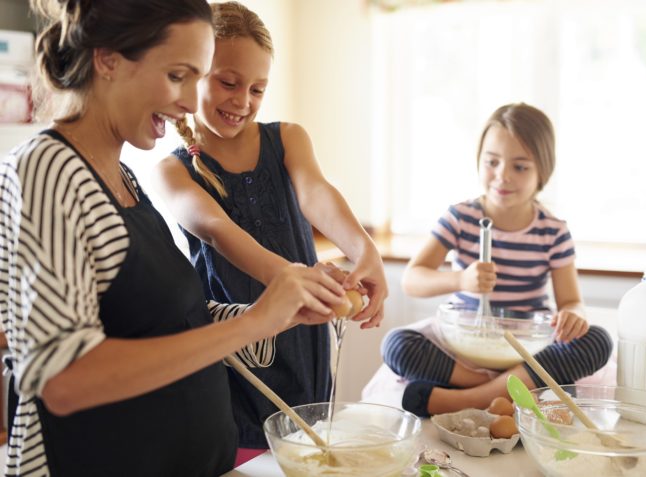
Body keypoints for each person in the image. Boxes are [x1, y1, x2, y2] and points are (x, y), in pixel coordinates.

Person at [0, 1, 349, 476]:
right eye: (178, 75)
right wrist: (253, 323)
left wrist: (278, 314)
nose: (188, 101)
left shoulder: (121, 176)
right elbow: (64, 379)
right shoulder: (46, 169)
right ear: (108, 59)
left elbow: (167, 320)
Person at [151, 1, 388, 449]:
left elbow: (317, 195)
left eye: (258, 89)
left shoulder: (288, 138)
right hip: (236, 349)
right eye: (228, 82)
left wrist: (365, 252)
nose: (243, 101)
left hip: (304, 338)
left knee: (307, 444)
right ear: (196, 71)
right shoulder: (172, 171)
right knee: (245, 452)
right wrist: (292, 279)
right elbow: (217, 230)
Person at [380, 103, 613, 417]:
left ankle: (467, 398)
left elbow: (571, 301)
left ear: (543, 171)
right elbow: (412, 279)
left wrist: (573, 315)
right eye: (492, 162)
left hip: (527, 348)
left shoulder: (552, 232)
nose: (502, 176)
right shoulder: (460, 217)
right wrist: (460, 280)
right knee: (396, 344)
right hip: (464, 347)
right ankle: (503, 388)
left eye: (520, 167)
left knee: (597, 341)